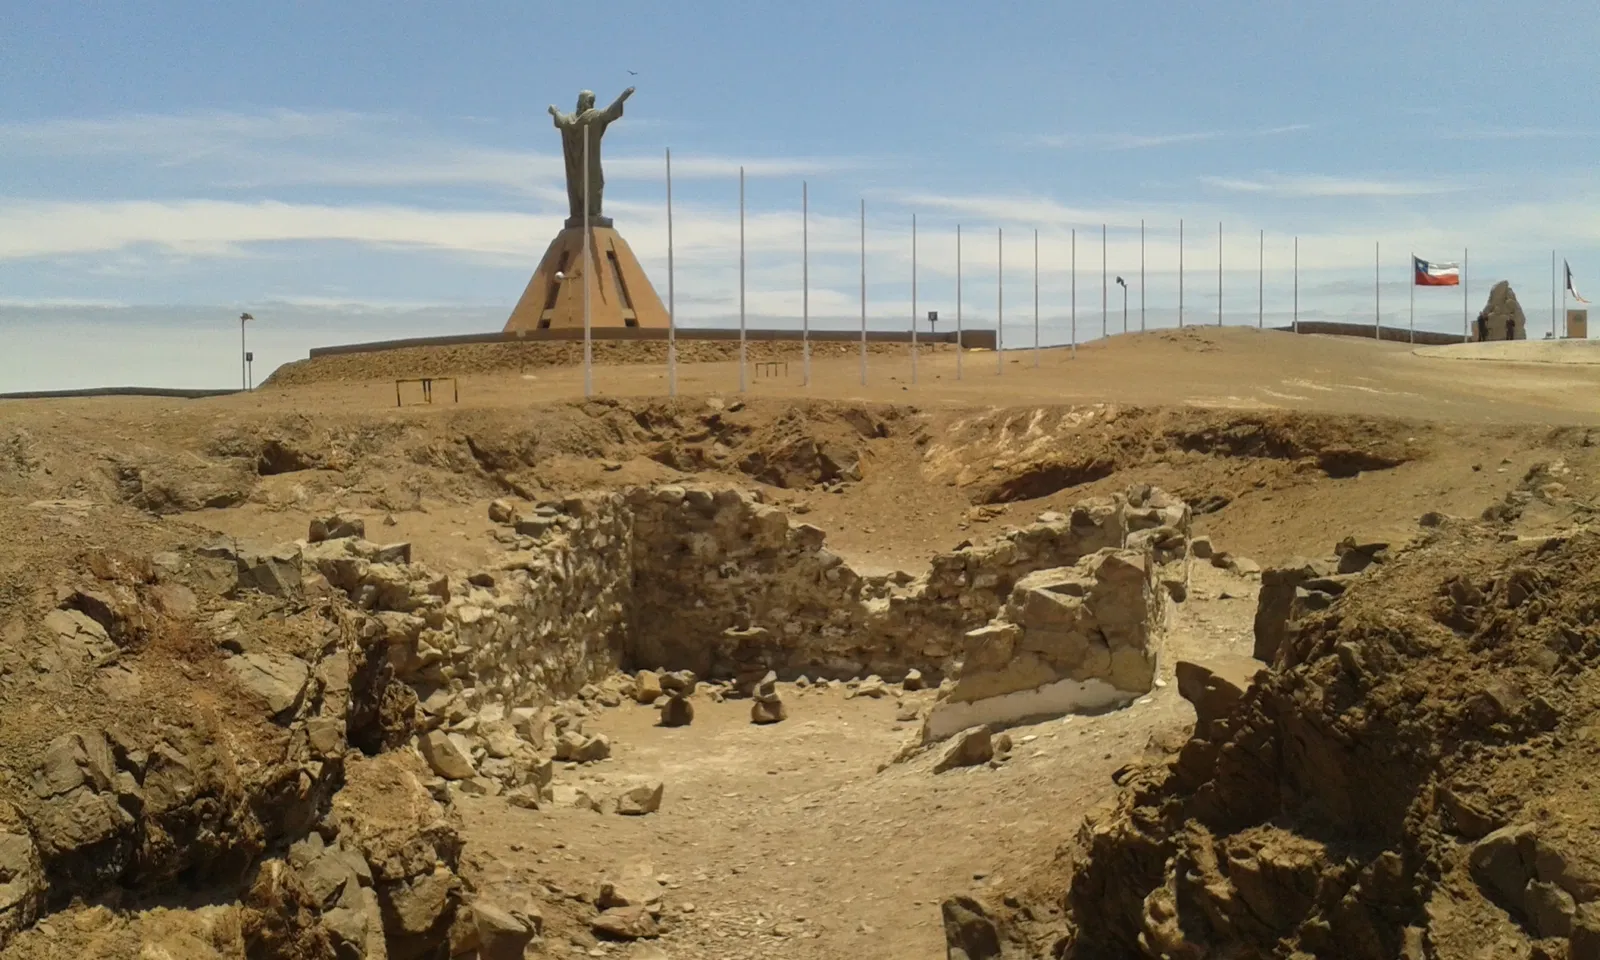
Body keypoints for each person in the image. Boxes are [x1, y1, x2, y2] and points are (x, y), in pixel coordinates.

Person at [548, 87, 635, 224]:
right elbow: (609, 113)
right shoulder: (593, 116)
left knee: (580, 184)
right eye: (591, 100)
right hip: (589, 161)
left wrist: (555, 111)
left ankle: (580, 213)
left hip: (574, 165)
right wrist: (622, 97)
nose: (592, 103)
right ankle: (593, 213)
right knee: (594, 183)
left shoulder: (570, 119)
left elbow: (561, 121)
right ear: (585, 102)